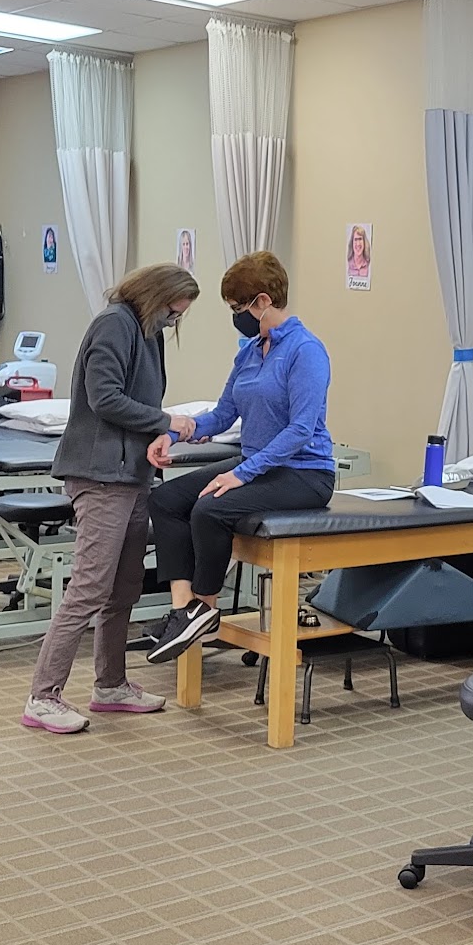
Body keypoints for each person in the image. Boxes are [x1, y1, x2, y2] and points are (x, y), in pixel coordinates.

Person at [21, 264, 200, 734]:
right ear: (155, 297)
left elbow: (139, 403)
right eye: (172, 311)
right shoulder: (114, 325)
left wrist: (158, 436)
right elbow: (104, 398)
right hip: (100, 476)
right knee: (89, 588)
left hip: (131, 475)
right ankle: (43, 696)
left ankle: (111, 684)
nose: (174, 320)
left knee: (124, 588)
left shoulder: (147, 332)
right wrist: (165, 421)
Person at [143, 252, 336, 663]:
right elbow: (223, 414)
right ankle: (184, 612)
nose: (236, 317)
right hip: (259, 465)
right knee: (165, 499)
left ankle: (205, 609)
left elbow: (301, 430)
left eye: (237, 308)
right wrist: (172, 433)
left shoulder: (306, 351)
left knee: (209, 509)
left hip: (305, 474)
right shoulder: (249, 352)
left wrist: (242, 473)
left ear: (263, 301)